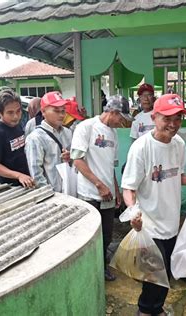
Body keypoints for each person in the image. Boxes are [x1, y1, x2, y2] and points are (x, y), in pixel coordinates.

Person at [121, 93, 186, 316]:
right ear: (154, 117)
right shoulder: (141, 148)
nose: (173, 124)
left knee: (167, 273)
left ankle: (155, 309)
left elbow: (176, 174)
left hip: (171, 221)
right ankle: (145, 311)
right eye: (167, 118)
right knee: (154, 276)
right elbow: (129, 188)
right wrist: (133, 212)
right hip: (149, 224)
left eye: (178, 118)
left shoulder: (179, 144)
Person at [71, 95, 133, 281]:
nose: (122, 122)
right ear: (113, 112)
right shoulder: (86, 127)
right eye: (121, 118)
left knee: (106, 234)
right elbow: (77, 160)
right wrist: (99, 184)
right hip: (89, 194)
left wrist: (115, 190)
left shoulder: (113, 134)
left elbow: (110, 166)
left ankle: (102, 268)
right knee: (89, 234)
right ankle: (89, 270)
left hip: (107, 195)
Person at [25, 91, 72, 191]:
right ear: (43, 111)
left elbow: (75, 162)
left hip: (70, 190)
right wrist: (50, 194)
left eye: (63, 111)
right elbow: (36, 174)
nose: (61, 115)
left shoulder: (68, 133)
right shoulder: (35, 138)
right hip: (52, 195)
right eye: (56, 111)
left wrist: (70, 157)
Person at [0, 89, 34, 188]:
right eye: (10, 113)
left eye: (18, 111)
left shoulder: (17, 125)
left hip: (24, 183)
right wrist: (18, 175)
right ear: (0, 113)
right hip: (7, 187)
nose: (15, 116)